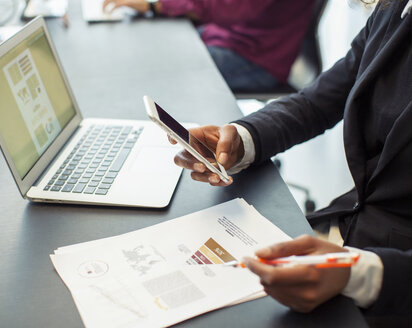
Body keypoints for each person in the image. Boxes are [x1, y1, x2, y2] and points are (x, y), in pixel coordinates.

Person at [171, 0, 412, 318]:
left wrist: (363, 275)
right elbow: (320, 99)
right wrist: (244, 138)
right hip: (345, 232)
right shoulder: (395, 10)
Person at [102, 0, 314, 92]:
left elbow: (229, 9)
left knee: (158, 72)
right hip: (224, 35)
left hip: (256, 56)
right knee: (152, 49)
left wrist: (154, 4)